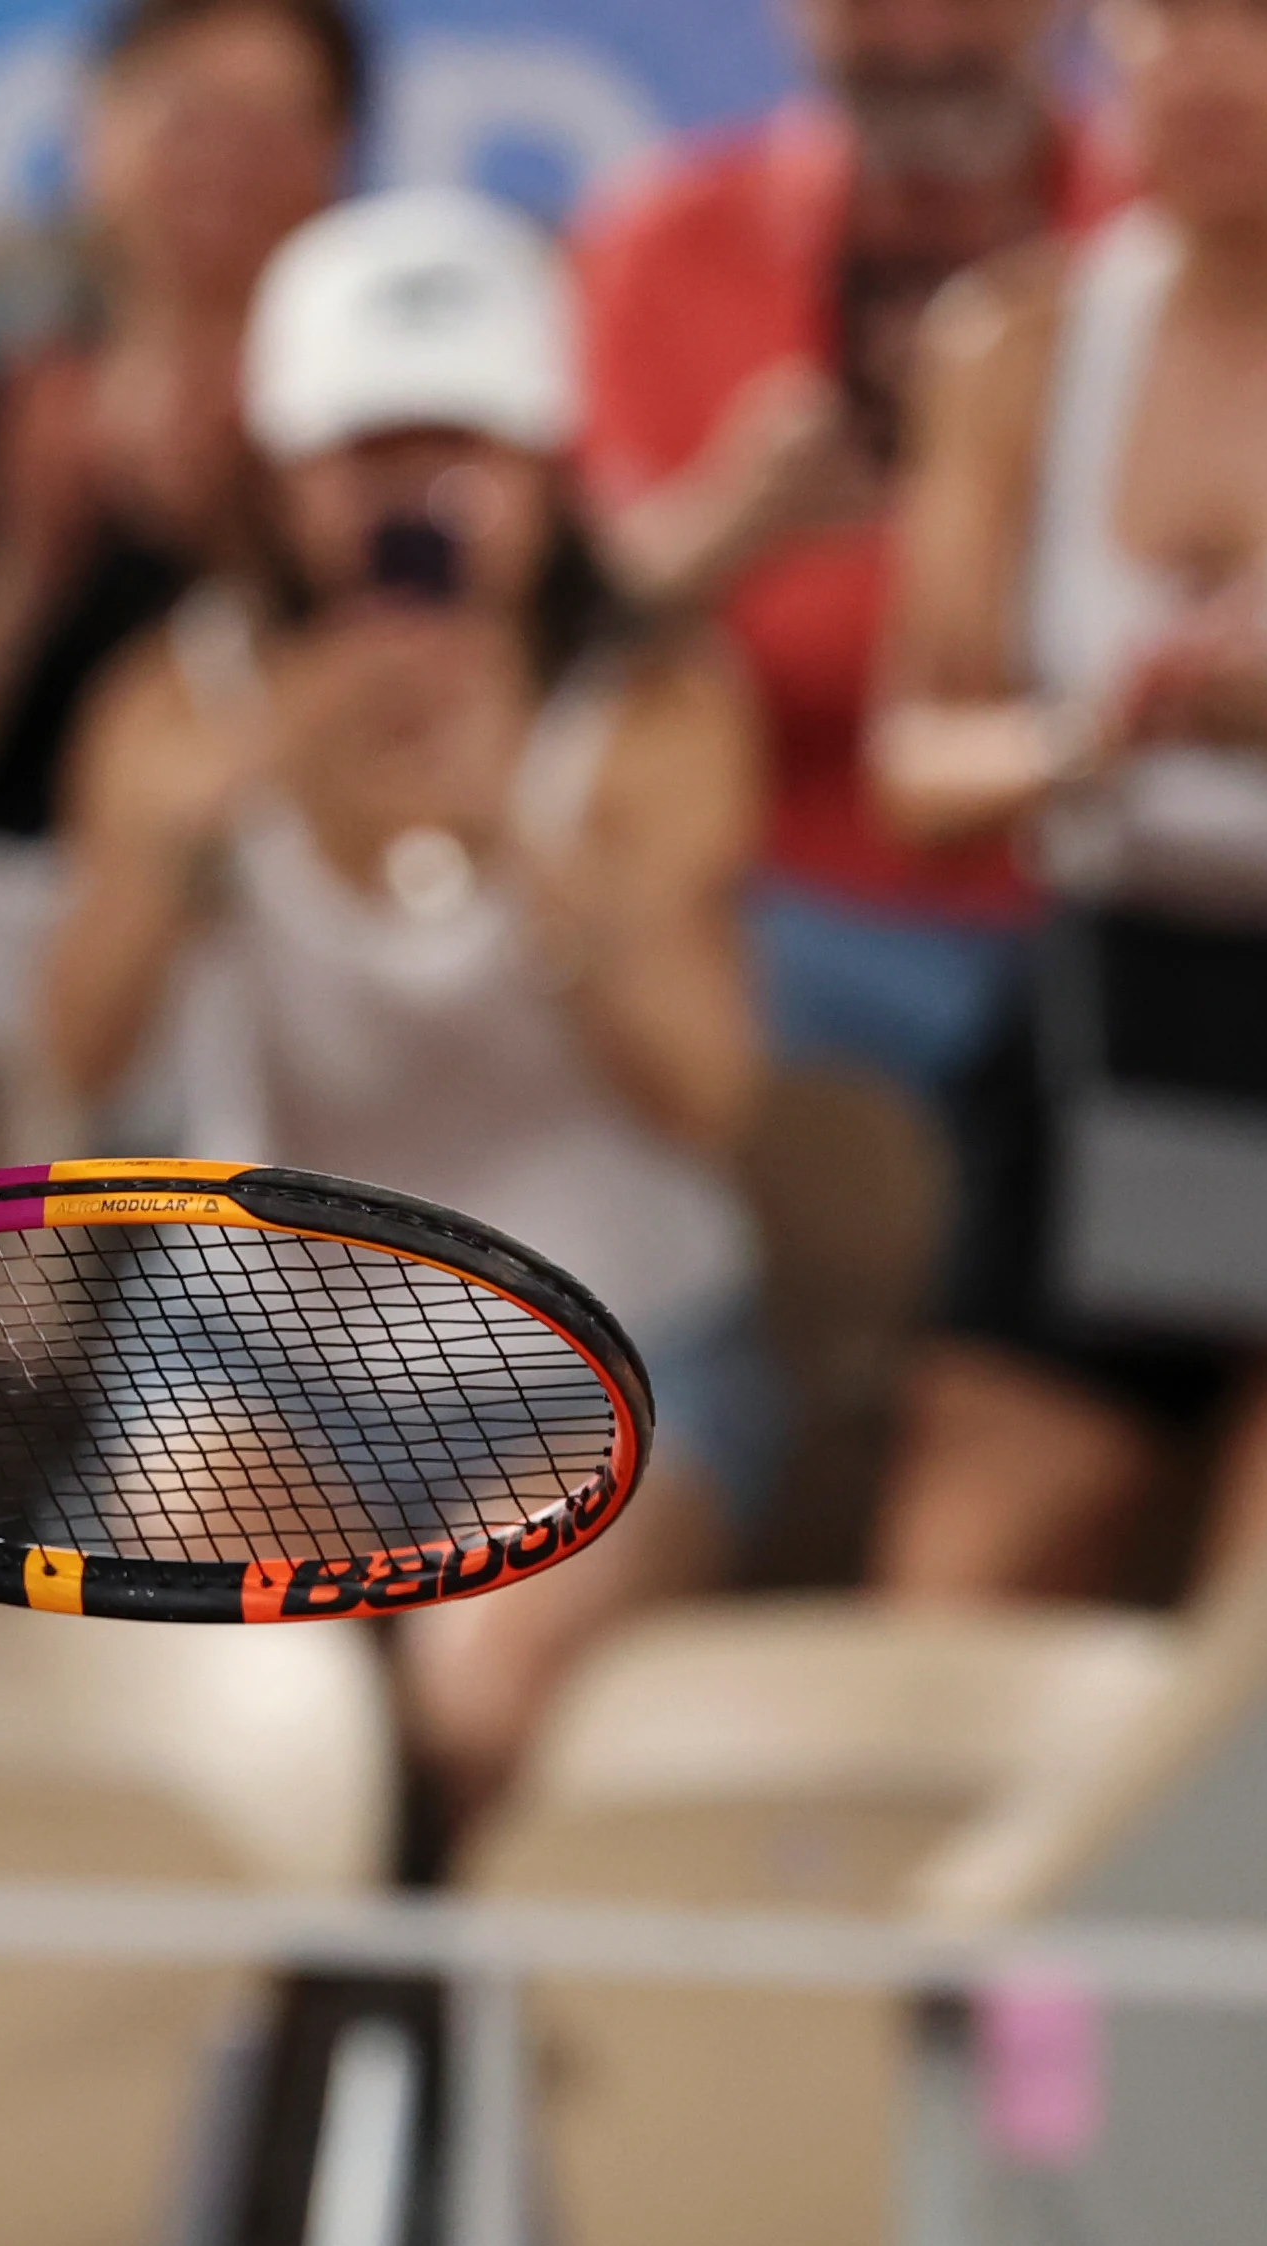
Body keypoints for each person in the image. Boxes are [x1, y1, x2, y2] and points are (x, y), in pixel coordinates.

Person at [46, 190, 770, 1828]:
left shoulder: (652, 716)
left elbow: (710, 1095)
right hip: (253, 1346)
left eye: (465, 450)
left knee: (487, 1695)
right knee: (231, 1702)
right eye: (368, 453)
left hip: (594, 1351)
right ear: (289, 475)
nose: (416, 496)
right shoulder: (181, 706)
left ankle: (472, 2077)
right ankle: (268, 2073)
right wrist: (209, 820)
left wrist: (525, 836)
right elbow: (74, 1057)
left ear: (546, 469)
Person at [866, 0, 1267, 1601]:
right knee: (961, 1571)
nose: (1206, 66)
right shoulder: (1010, 344)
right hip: (1117, 1008)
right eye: (1163, 21)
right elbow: (919, 769)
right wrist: (1099, 738)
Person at [580, 0, 1121, 1107]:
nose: (922, 37)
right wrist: (733, 523)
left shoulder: (1170, 233)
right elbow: (559, 642)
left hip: (1131, 901)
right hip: (789, 909)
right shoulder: (662, 240)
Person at [0, 0, 355, 848]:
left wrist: (238, 537)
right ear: (96, 133)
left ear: (338, 158)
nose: (222, 165)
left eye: (269, 125)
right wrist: (18, 568)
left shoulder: (380, 441)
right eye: (187, 116)